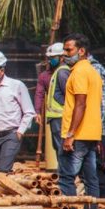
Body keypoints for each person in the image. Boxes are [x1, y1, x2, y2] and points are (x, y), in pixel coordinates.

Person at [60, 34, 101, 209]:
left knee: (67, 176)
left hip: (78, 135)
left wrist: (70, 134)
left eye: (69, 50)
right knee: (90, 178)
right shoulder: (93, 71)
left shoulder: (78, 72)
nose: (65, 54)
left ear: (81, 51)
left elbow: (81, 104)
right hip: (91, 133)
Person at [0, 50, 35, 173]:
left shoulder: (17, 86)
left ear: (1, 70)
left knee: (3, 169)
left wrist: (19, 132)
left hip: (11, 135)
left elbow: (29, 112)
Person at [44, 43, 70, 176]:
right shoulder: (58, 72)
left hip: (60, 118)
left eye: (52, 57)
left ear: (61, 57)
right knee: (58, 148)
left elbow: (69, 96)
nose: (49, 60)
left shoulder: (62, 73)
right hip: (56, 118)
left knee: (62, 149)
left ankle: (65, 176)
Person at [87, 53, 105, 198]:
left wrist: (96, 128)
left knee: (101, 166)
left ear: (81, 51)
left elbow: (102, 102)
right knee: (94, 166)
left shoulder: (95, 69)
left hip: (97, 130)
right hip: (91, 129)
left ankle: (104, 201)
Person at [35, 43, 65, 127]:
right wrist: (37, 112)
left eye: (53, 57)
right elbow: (39, 94)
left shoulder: (67, 72)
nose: (51, 60)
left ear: (62, 57)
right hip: (54, 117)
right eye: (50, 58)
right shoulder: (44, 76)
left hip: (68, 115)